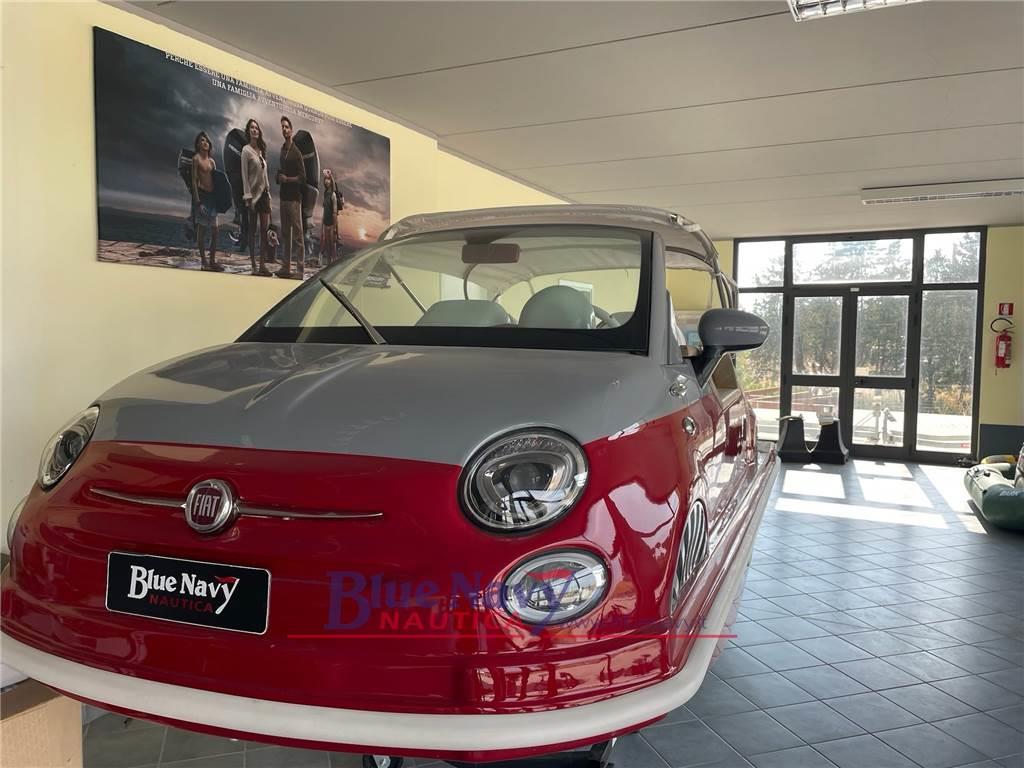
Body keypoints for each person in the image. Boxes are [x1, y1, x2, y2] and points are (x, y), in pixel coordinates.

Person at [240, 119, 273, 276]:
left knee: (264, 230)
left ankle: (262, 265)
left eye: (257, 128)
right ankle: (253, 264)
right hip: (252, 196)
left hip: (264, 195)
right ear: (248, 131)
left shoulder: (261, 151)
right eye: (252, 128)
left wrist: (269, 193)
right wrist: (248, 197)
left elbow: (264, 174)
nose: (255, 130)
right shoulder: (246, 150)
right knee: (252, 230)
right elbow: (244, 175)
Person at [276, 116, 305, 279]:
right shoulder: (282, 150)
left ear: (291, 130)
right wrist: (278, 177)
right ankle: (285, 267)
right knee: (285, 234)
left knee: (298, 235)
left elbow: (303, 177)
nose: (284, 129)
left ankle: (300, 271)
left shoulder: (296, 152)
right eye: (282, 127)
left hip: (294, 199)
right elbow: (281, 170)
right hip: (283, 197)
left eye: (287, 127)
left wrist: (288, 179)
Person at [190, 131, 222, 271]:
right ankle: (204, 262)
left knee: (215, 231)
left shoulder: (212, 162)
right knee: (202, 230)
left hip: (212, 198)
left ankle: (212, 261)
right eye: (202, 140)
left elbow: (217, 181)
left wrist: (219, 199)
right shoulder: (196, 159)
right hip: (202, 197)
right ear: (198, 144)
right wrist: (198, 202)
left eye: (207, 141)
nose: (205, 143)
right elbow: (193, 181)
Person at [319, 169, 343, 266]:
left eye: (328, 179)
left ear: (331, 181)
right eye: (325, 179)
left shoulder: (333, 194)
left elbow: (334, 211)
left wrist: (335, 227)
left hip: (332, 223)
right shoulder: (325, 194)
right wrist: (322, 225)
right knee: (327, 245)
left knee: (332, 245)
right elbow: (324, 210)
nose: (326, 181)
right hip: (326, 222)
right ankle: (329, 264)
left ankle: (334, 264)